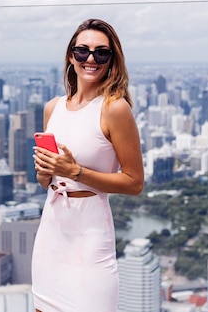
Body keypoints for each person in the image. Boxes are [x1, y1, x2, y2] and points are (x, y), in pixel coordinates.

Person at [31, 18, 144, 312]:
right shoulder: (53, 108)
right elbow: (48, 182)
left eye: (101, 53)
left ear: (112, 60)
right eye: (82, 51)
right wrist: (46, 172)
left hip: (89, 233)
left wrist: (74, 171)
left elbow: (134, 182)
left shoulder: (114, 109)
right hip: (52, 231)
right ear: (71, 56)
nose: (90, 59)